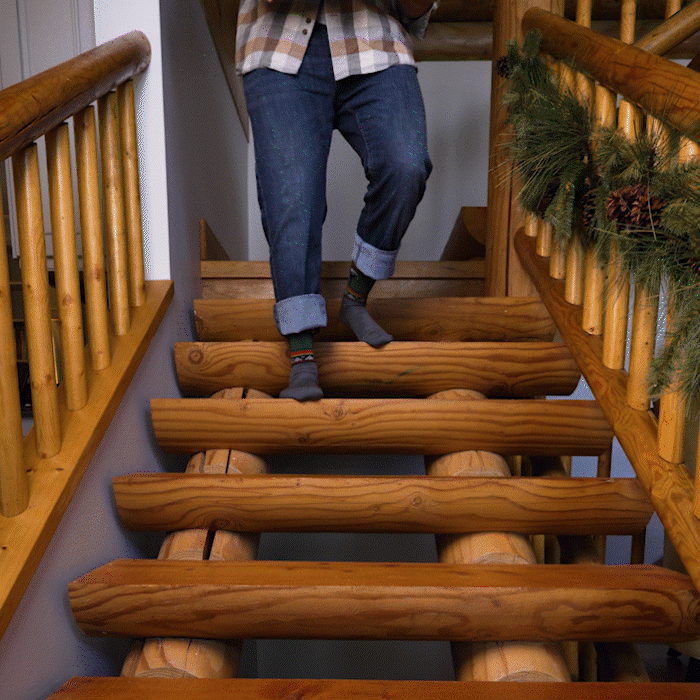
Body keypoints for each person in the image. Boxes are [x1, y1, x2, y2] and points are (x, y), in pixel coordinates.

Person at [236, 0, 435, 400]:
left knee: (405, 164)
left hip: (376, 43)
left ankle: (355, 298)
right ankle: (301, 354)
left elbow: (417, 8)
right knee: (292, 196)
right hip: (280, 45)